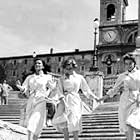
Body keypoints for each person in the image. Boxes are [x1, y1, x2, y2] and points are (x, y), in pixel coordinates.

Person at [52, 58, 99, 140]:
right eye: (67, 68)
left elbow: (86, 90)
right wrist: (63, 102)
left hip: (75, 100)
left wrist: (95, 97)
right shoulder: (62, 79)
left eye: (70, 68)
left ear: (74, 67)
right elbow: (59, 91)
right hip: (65, 100)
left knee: (75, 121)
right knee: (65, 122)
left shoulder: (79, 77)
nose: (68, 70)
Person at [99, 53, 140, 140]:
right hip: (125, 103)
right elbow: (114, 90)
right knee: (127, 129)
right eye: (126, 64)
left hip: (136, 101)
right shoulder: (122, 76)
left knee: (131, 123)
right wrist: (102, 98)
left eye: (130, 63)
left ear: (134, 63)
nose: (128, 66)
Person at [16, 59, 56, 140]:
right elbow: (25, 89)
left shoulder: (47, 77)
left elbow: (52, 88)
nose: (37, 64)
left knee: (34, 121)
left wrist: (52, 85)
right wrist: (20, 88)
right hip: (31, 100)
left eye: (39, 63)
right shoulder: (29, 77)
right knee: (31, 122)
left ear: (43, 66)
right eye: (36, 63)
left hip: (41, 100)